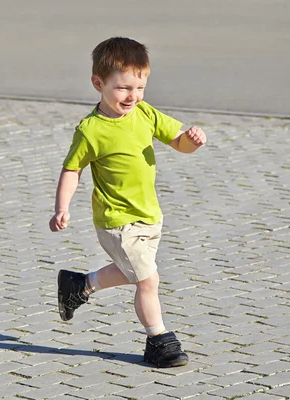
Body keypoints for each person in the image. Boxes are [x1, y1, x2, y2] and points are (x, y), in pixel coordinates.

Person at [49, 37, 206, 368]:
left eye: (139, 87)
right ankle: (159, 341)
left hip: (149, 214)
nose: (132, 96)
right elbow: (72, 169)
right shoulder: (91, 130)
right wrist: (61, 207)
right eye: (123, 88)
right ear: (98, 84)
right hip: (116, 219)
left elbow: (177, 142)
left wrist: (192, 142)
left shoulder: (144, 113)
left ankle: (80, 285)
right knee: (148, 280)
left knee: (133, 272)